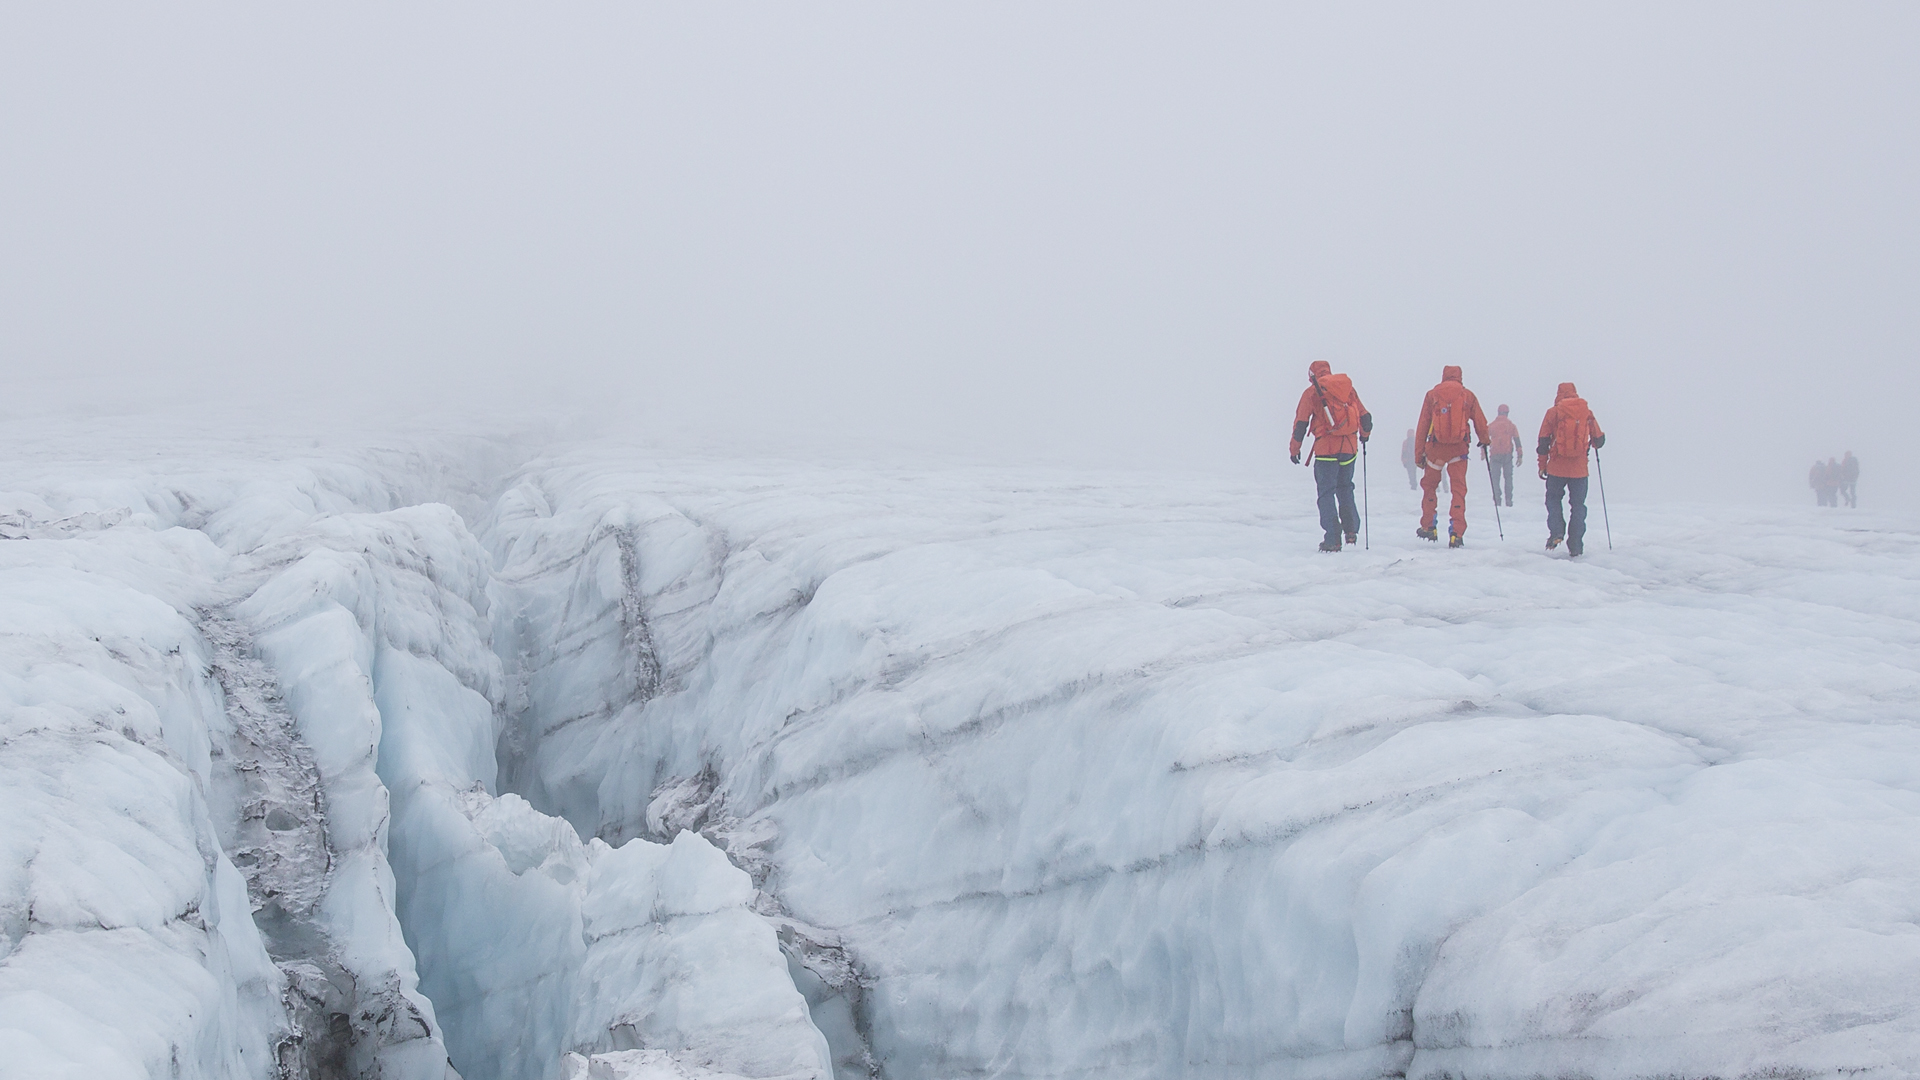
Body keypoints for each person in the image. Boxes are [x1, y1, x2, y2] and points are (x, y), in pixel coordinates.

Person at [1289, 360, 1373, 552]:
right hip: (1349, 448)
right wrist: (1364, 436)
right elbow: (1365, 417)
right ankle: (1351, 530)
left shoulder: (1312, 392)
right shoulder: (1347, 389)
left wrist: (1294, 449)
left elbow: (1301, 424)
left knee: (1326, 493)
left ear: (1311, 375)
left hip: (1326, 450)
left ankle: (1333, 538)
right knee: (1345, 487)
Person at [1414, 365, 1490, 547]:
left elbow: (1423, 425)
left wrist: (1418, 455)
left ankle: (1429, 526)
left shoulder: (1432, 395)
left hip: (1435, 449)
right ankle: (1456, 532)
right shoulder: (1467, 395)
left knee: (1430, 486)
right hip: (1459, 449)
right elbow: (1480, 421)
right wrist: (1485, 440)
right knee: (1458, 490)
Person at [1537, 382, 1605, 556]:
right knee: (1578, 506)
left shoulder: (1553, 413)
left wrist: (1542, 465)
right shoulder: (1586, 413)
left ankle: (1557, 531)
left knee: (1553, 499)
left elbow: (1543, 441)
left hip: (1556, 468)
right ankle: (1575, 545)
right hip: (1579, 470)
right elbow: (1599, 440)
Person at [1487, 404, 1521, 507]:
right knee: (1508, 478)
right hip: (1507, 455)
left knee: (1495, 479)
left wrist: (1483, 453)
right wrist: (1520, 455)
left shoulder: (1491, 425)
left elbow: (1484, 439)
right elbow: (1517, 441)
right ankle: (1509, 501)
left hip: (1495, 455)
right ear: (1507, 413)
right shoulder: (1511, 425)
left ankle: (1497, 501)